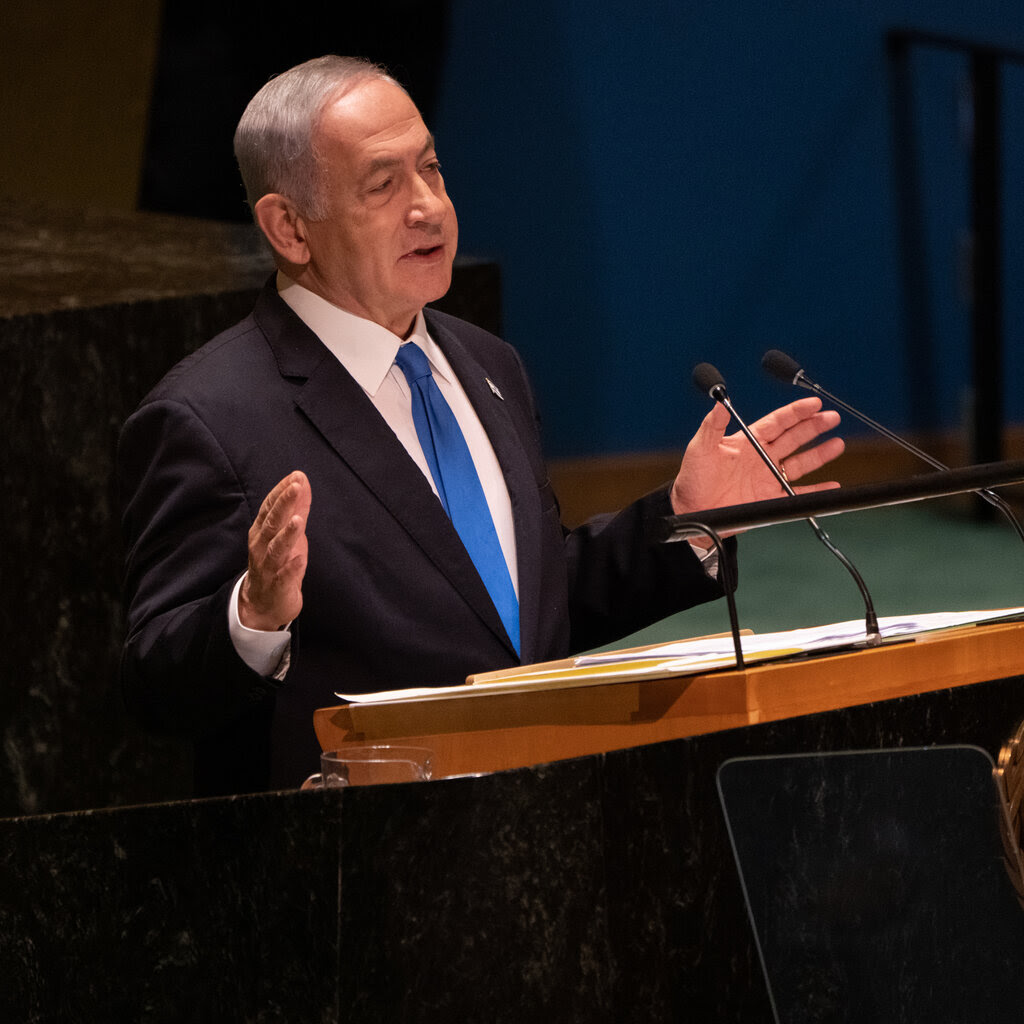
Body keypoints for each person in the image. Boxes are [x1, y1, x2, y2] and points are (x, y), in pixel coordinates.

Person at [119, 55, 843, 795]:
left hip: (530, 827)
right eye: (384, 184)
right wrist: (253, 616)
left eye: (430, 169)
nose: (428, 205)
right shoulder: (209, 417)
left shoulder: (487, 362)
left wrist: (686, 520)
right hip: (353, 865)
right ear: (290, 228)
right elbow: (155, 683)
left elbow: (513, 609)